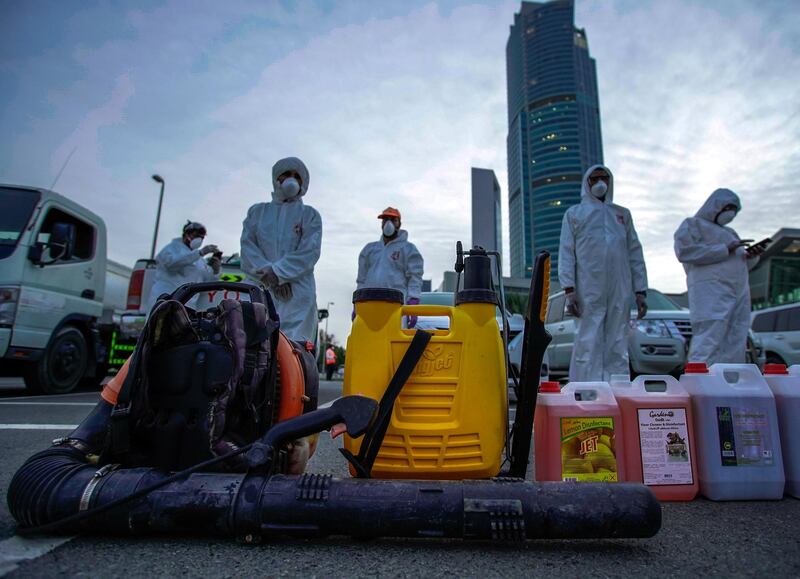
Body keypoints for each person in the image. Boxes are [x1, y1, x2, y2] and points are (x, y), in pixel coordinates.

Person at [558, 164, 648, 382]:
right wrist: (569, 290)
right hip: (588, 288)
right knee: (588, 340)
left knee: (618, 341)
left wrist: (640, 291)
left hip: (620, 288)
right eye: (595, 178)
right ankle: (585, 392)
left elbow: (634, 252)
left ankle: (617, 392)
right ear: (587, 183)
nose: (600, 182)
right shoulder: (575, 214)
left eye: (605, 178)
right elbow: (566, 252)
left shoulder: (622, 214)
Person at [674, 189, 763, 365]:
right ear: (715, 206)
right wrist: (724, 249)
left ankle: (729, 380)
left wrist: (751, 256)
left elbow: (740, 263)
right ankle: (701, 381)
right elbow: (684, 252)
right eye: (728, 207)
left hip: (738, 289)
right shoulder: (693, 225)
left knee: (736, 335)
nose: (731, 213)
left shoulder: (731, 233)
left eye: (734, 210)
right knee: (710, 333)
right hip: (710, 289)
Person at [240, 157, 322, 343]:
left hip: (296, 292)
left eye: (296, 176)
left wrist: (278, 273)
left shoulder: (309, 215)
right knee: (256, 343)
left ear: (303, 182)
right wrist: (270, 276)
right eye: (286, 174)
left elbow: (309, 252)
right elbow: (248, 248)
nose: (291, 179)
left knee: (293, 346)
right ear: (276, 178)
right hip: (260, 286)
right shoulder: (257, 212)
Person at [356, 207, 424, 325]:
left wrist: (413, 299)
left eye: (393, 220)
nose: (388, 223)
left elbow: (415, 277)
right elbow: (361, 280)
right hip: (369, 305)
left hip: (396, 307)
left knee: (391, 341)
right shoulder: (370, 249)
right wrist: (357, 302)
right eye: (385, 219)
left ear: (399, 223)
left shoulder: (408, 249)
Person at [149, 221, 220, 310]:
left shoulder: (200, 260)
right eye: (196, 235)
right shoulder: (172, 248)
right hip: (165, 302)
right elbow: (171, 265)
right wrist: (200, 253)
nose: (199, 240)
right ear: (187, 234)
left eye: (201, 238)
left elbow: (207, 283)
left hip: (188, 307)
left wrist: (215, 270)